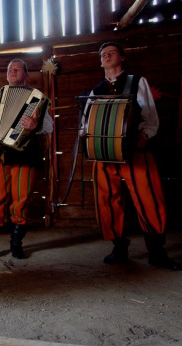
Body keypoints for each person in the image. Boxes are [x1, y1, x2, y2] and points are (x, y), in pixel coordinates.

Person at [83, 41, 180, 270]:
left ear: (122, 58)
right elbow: (86, 123)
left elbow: (150, 117)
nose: (106, 56)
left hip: (135, 150)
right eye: (103, 54)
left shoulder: (137, 82)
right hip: (105, 155)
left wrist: (144, 136)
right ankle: (119, 247)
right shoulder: (96, 90)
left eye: (112, 52)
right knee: (108, 200)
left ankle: (156, 251)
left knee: (149, 198)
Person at [0, 58, 53, 259]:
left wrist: (35, 125)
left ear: (26, 75)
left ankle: (16, 244)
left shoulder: (36, 99)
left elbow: (49, 126)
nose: (13, 71)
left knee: (22, 198)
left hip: (25, 154)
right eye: (10, 69)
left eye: (18, 69)